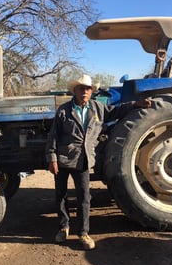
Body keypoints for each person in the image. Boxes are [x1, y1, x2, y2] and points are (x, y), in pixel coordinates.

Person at [45, 74, 151, 250]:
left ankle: (83, 233)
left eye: (87, 89)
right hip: (64, 159)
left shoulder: (97, 108)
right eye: (81, 89)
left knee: (84, 197)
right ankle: (64, 227)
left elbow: (116, 111)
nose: (84, 92)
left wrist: (135, 104)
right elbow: (53, 137)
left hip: (84, 160)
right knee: (61, 195)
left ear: (91, 91)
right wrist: (52, 158)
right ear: (75, 91)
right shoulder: (64, 110)